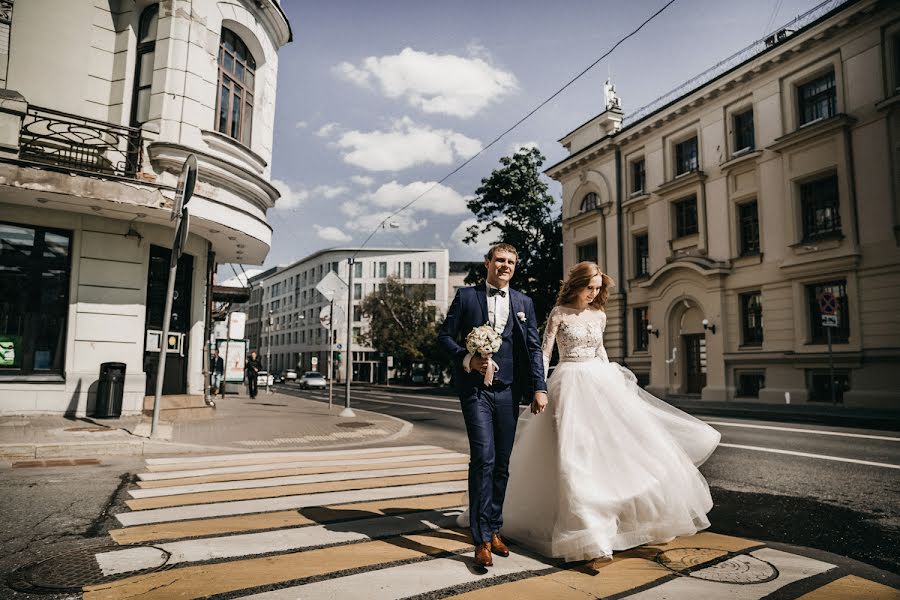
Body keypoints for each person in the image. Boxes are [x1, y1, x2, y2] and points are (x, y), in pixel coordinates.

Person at [501, 261, 721, 562]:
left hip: (598, 381)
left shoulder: (600, 314)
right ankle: (584, 528)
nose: (593, 293)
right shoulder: (560, 313)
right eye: (589, 288)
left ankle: (617, 521)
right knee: (573, 453)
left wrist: (613, 383)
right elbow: (545, 352)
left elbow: (600, 350)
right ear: (576, 285)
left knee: (612, 451)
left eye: (597, 288)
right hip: (568, 381)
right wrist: (539, 388)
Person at [438, 243, 548, 568]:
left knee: (502, 464)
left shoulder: (524, 302)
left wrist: (539, 388)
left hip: (509, 392)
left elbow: (533, 349)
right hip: (476, 393)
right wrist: (467, 358)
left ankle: (495, 527)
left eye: (511, 261)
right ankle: (481, 539)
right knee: (483, 459)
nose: (505, 266)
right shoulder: (466, 297)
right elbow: (444, 337)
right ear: (487, 262)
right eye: (499, 260)